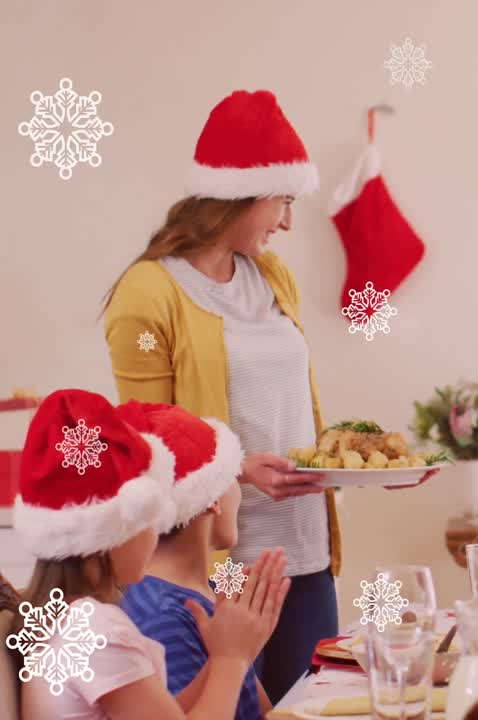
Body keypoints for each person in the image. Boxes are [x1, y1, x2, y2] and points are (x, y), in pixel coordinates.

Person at [99, 89, 436, 702]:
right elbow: (143, 443)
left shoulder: (272, 276)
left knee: (317, 707)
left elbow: (290, 408)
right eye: (282, 202)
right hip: (223, 569)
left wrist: (355, 464)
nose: (287, 222)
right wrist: (240, 470)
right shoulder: (147, 295)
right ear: (238, 196)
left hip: (305, 554)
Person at [9, 389, 288, 720]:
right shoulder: (98, 630)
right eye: (152, 518)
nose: (158, 533)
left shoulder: (75, 620)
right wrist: (232, 659)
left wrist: (221, 657)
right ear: (116, 528)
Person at [116, 401, 270, 720]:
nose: (239, 494)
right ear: (211, 499)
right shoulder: (162, 617)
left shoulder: (209, 594)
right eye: (233, 478)